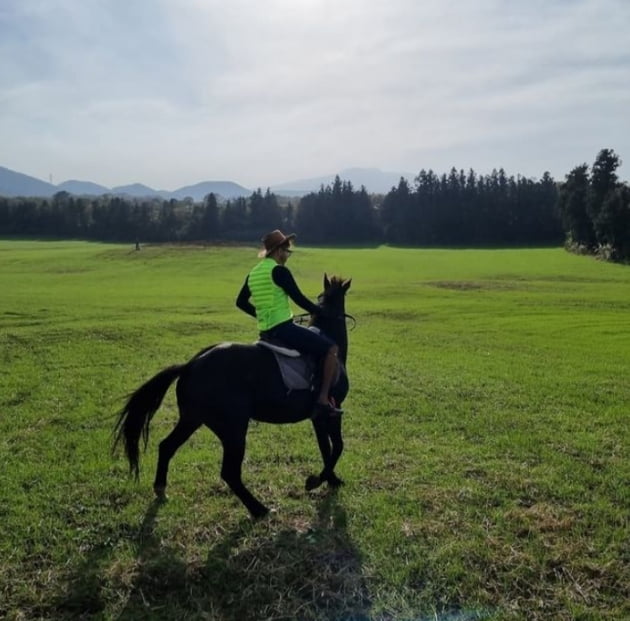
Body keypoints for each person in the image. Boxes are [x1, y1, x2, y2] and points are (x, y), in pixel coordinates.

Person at [236, 229, 342, 417]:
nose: (288, 256)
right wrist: (322, 312)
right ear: (278, 251)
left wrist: (261, 315)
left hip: (265, 333)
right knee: (331, 349)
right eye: (287, 251)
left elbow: (240, 302)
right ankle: (323, 399)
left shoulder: (253, 274)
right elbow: (299, 299)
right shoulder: (279, 271)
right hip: (284, 330)